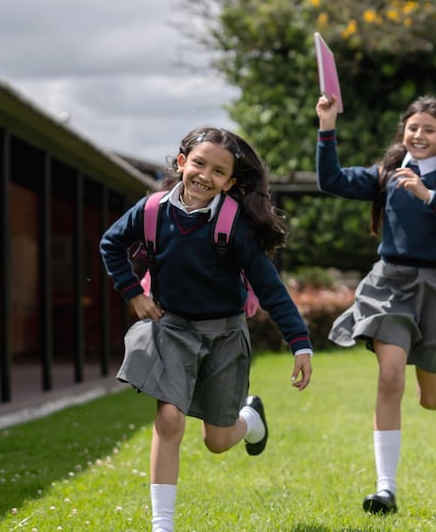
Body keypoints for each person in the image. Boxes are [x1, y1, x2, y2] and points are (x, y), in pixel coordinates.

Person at [99, 126, 314, 532]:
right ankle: (162, 525)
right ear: (182, 162)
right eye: (198, 163)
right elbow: (110, 244)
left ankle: (250, 419)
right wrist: (133, 293)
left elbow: (269, 287)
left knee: (216, 441)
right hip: (171, 327)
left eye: (218, 172)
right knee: (168, 419)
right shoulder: (150, 211)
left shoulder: (235, 226)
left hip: (224, 335)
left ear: (231, 182)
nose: (204, 176)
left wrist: (300, 343)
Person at [316, 95, 436, 516]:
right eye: (413, 128)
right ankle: (385, 488)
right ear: (403, 133)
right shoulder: (385, 175)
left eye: (429, 129)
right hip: (389, 283)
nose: (419, 135)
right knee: (390, 378)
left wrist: (429, 196)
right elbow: (331, 180)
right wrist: (327, 125)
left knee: (429, 396)